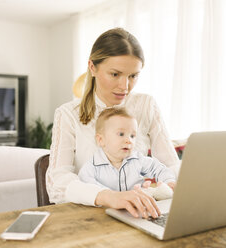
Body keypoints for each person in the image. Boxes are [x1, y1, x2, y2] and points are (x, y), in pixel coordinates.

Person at [46, 27, 180, 219]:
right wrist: (108, 197)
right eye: (115, 74)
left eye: (133, 76)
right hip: (89, 217)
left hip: (138, 214)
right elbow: (57, 184)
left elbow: (170, 164)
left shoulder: (146, 105)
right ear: (92, 67)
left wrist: (173, 183)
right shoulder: (67, 114)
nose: (125, 87)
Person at [78, 107, 176, 197]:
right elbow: (89, 190)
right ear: (101, 140)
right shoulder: (91, 168)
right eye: (121, 134)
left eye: (132, 136)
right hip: (104, 211)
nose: (129, 140)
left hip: (137, 209)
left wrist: (168, 182)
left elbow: (159, 169)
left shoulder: (137, 159)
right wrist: (116, 197)